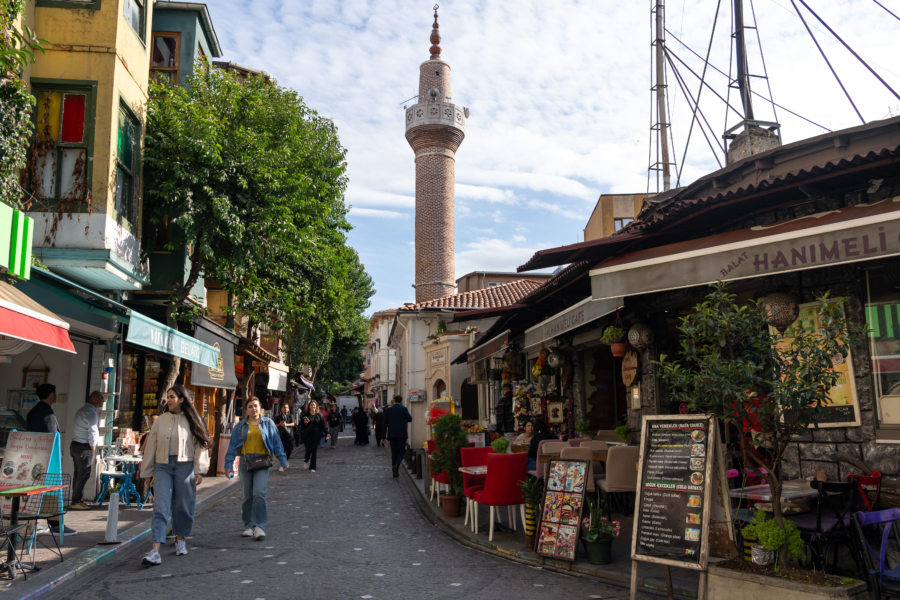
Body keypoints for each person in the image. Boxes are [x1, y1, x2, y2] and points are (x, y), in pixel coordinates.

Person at [139, 385, 211, 566]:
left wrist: (199, 469)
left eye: (171, 397)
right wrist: (147, 472)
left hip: (185, 466)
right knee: (160, 506)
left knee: (182, 505)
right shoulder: (160, 420)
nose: (168, 400)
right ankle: (155, 550)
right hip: (162, 466)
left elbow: (200, 446)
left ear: (181, 399)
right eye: (167, 397)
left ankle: (180, 539)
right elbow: (151, 447)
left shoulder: (194, 420)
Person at [224, 396, 288, 541]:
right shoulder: (239, 426)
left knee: (259, 493)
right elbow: (232, 448)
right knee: (247, 496)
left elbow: (276, 442)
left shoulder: (268, 423)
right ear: (246, 410)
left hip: (262, 462)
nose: (253, 409)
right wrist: (228, 465)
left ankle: (259, 526)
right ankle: (248, 525)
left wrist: (282, 459)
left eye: (256, 406)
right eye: (250, 406)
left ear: (260, 408)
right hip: (245, 462)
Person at [69, 390, 104, 509]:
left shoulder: (82, 410)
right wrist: (93, 449)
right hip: (84, 447)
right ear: (94, 399)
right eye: (100, 399)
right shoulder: (91, 413)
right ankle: (76, 501)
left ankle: (77, 499)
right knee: (84, 473)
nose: (102, 402)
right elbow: (93, 431)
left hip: (75, 445)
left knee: (78, 473)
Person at [383, 395, 412, 478]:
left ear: (394, 400)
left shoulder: (389, 410)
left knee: (394, 453)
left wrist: (383, 437)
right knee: (401, 452)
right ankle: (396, 465)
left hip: (392, 434)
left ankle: (394, 470)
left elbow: (384, 424)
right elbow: (410, 419)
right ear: (401, 401)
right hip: (402, 434)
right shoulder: (403, 409)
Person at [299, 400, 328, 472]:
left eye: (314, 405)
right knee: (308, 450)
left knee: (314, 451)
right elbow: (301, 425)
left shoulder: (319, 415)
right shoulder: (305, 415)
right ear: (309, 406)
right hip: (307, 435)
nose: (313, 406)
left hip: (316, 435)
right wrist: (305, 423)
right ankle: (306, 460)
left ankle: (312, 467)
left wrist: (327, 433)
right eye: (311, 405)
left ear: (316, 406)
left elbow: (323, 425)